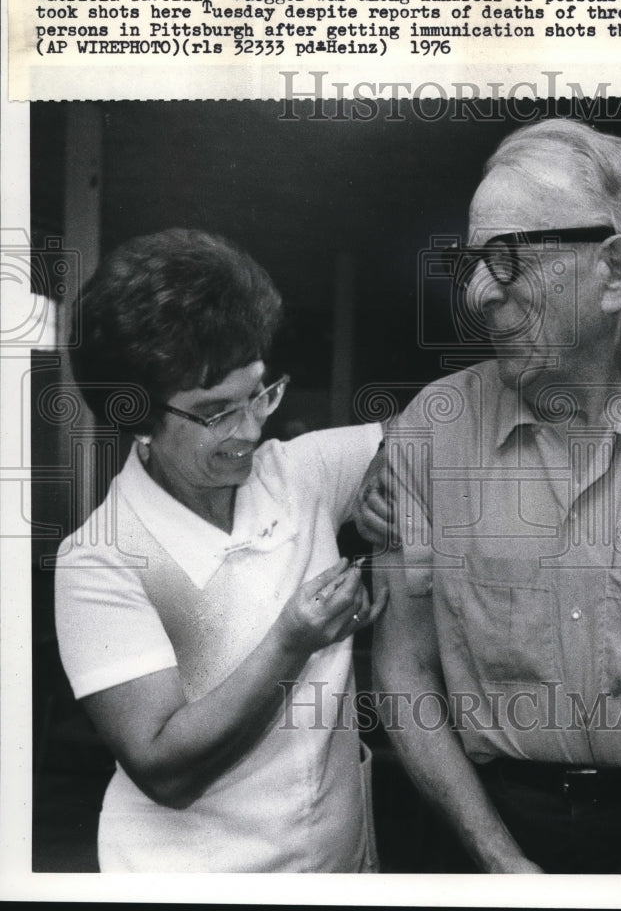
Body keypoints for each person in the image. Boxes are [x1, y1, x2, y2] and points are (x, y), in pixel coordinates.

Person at [360, 119, 621, 874]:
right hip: (485, 831)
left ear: (616, 271)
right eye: (474, 261)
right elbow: (406, 674)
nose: (481, 293)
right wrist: (501, 864)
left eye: (509, 258)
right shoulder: (431, 432)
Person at [55, 228, 388, 872]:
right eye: (215, 413)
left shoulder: (299, 474)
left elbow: (439, 430)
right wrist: (293, 639)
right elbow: (164, 770)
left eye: (260, 393)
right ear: (138, 415)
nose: (252, 428)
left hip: (336, 866)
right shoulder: (100, 560)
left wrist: (394, 485)